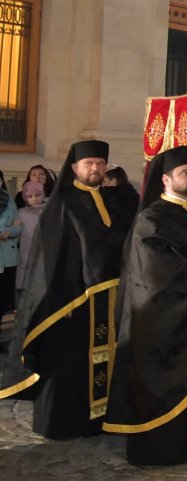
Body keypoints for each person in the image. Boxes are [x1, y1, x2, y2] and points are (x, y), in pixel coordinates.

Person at [102, 147, 187, 466]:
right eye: (184, 173)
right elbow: (156, 272)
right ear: (165, 179)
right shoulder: (151, 218)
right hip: (162, 318)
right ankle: (168, 445)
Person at [0, 140, 132, 439]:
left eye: (100, 163)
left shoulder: (112, 201)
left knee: (105, 360)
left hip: (107, 297)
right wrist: (67, 295)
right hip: (69, 301)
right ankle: (65, 423)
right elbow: (51, 259)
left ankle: (102, 417)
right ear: (74, 168)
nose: (95, 168)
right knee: (69, 365)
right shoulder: (62, 204)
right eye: (89, 164)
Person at [13, 181, 46, 309]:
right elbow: (16, 234)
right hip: (27, 252)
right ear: (24, 198)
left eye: (38, 195)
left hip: (45, 252)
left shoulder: (49, 210)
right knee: (26, 282)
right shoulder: (21, 213)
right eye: (29, 196)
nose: (34, 199)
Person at [0, 177, 21, 313]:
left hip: (7, 253)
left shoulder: (9, 200)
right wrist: (4, 229)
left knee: (3, 297)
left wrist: (9, 231)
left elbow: (19, 227)